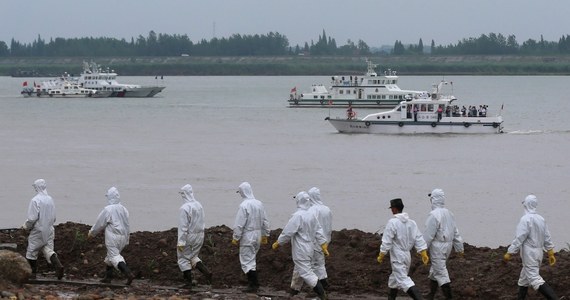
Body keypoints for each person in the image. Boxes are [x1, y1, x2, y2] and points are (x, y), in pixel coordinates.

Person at [272, 191, 329, 300]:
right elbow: (318, 230)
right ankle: (294, 291)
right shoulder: (311, 215)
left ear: (298, 201)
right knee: (299, 270)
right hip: (310, 248)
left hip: (301, 249)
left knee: (307, 273)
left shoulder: (297, 216)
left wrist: (278, 242)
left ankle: (322, 294)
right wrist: (323, 244)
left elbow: (288, 232)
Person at [503, 194, 558, 300]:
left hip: (529, 254)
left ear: (526, 205)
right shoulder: (541, 219)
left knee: (534, 279)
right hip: (539, 253)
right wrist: (550, 251)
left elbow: (519, 238)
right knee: (524, 279)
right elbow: (547, 236)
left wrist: (509, 252)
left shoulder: (525, 220)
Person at [377, 198, 429, 300]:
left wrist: (382, 253)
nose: (391, 210)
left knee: (404, 281)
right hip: (407, 256)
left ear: (395, 209)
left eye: (392, 208)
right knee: (394, 281)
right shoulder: (412, 223)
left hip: (397, 256)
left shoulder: (392, 222)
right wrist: (423, 252)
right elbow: (418, 238)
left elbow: (387, 240)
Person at [289, 187, 333, 295]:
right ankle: (324, 287)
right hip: (324, 242)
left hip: (312, 242)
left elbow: (311, 227)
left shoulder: (311, 210)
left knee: (302, 266)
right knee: (319, 265)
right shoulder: (327, 209)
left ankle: (295, 290)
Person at [88, 187, 135, 285]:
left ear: (109, 197)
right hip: (123, 237)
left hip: (113, 237)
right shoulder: (124, 209)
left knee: (114, 256)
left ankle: (128, 273)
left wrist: (92, 233)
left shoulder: (108, 209)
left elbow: (100, 223)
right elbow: (127, 225)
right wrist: (127, 238)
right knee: (110, 256)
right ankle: (108, 277)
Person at [423, 189, 464, 300]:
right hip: (448, 246)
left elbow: (428, 235)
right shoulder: (449, 213)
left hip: (438, 247)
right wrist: (460, 248)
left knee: (441, 273)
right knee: (435, 270)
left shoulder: (433, 215)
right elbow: (455, 231)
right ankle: (431, 294)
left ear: (433, 199)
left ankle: (449, 297)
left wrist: (422, 249)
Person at [232, 182, 270, 293]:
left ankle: (253, 285)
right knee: (252, 258)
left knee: (246, 261)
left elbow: (239, 223)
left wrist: (236, 236)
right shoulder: (259, 203)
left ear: (243, 192)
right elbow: (265, 220)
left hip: (248, 235)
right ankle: (254, 284)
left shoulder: (244, 205)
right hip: (257, 235)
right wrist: (265, 234)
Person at [22, 179, 64, 280]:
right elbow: (54, 217)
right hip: (49, 229)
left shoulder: (35, 200)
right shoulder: (50, 199)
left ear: (36, 187)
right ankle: (58, 265)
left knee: (32, 250)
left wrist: (26, 226)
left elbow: (32, 218)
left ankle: (32, 273)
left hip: (38, 230)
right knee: (47, 249)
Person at [177, 184, 212, 289]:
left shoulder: (184, 208)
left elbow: (183, 227)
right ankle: (207, 272)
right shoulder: (199, 205)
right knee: (193, 256)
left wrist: (181, 242)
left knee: (183, 258)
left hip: (189, 236)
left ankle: (188, 282)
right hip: (200, 235)